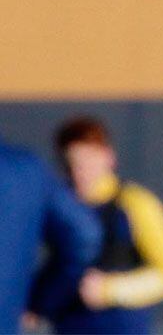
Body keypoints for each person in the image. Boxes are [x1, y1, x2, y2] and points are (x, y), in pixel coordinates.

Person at [42, 117, 163, 333]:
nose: (80, 171)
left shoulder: (136, 203)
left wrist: (111, 289)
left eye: (89, 160)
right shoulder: (57, 206)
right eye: (72, 163)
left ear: (109, 158)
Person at [3, 136, 100, 333]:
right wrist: (39, 300)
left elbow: (84, 236)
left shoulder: (134, 202)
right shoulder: (24, 168)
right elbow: (84, 236)